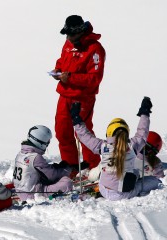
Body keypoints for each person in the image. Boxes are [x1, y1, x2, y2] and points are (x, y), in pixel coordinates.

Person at [71, 97, 160, 200]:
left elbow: (84, 136)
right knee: (153, 181)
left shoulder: (103, 146)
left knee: (109, 171)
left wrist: (76, 119)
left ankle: (97, 190)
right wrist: (145, 112)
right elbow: (143, 132)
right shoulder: (132, 146)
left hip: (104, 189)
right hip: (123, 194)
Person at [51, 15, 106, 171]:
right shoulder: (68, 43)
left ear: (80, 31)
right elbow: (62, 60)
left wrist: (71, 78)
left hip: (83, 98)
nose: (68, 37)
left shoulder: (95, 48)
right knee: (62, 132)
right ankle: (71, 166)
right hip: (65, 95)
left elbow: (95, 78)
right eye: (66, 34)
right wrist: (57, 70)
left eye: (71, 34)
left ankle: (93, 165)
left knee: (83, 133)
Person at [12, 125, 73, 202]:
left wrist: (57, 166)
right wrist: (68, 169)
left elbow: (37, 170)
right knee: (67, 182)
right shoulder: (35, 157)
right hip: (34, 194)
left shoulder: (21, 154)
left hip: (21, 191)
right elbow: (52, 176)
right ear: (40, 142)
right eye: (47, 142)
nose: (47, 144)